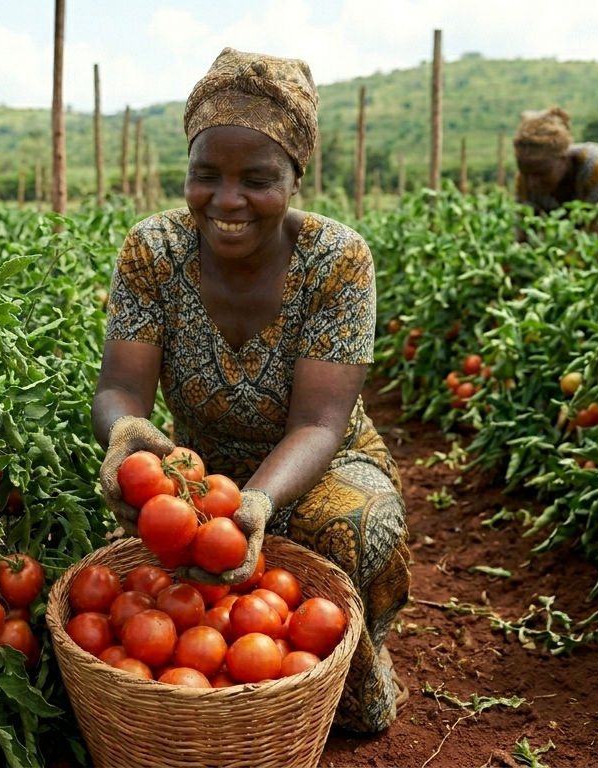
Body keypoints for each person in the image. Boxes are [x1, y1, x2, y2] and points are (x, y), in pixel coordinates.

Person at [91, 48, 409, 734]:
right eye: (206, 175)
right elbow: (119, 386)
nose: (227, 200)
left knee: (360, 525)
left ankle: (347, 675)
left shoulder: (336, 259)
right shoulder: (153, 250)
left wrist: (256, 502)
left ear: (295, 177)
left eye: (257, 179)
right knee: (123, 581)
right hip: (198, 477)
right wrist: (127, 435)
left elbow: (320, 423)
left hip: (321, 466)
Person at [514, 106, 598, 220]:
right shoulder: (525, 179)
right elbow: (524, 230)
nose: (532, 183)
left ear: (563, 158)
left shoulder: (596, 165)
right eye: (526, 174)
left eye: (541, 174)